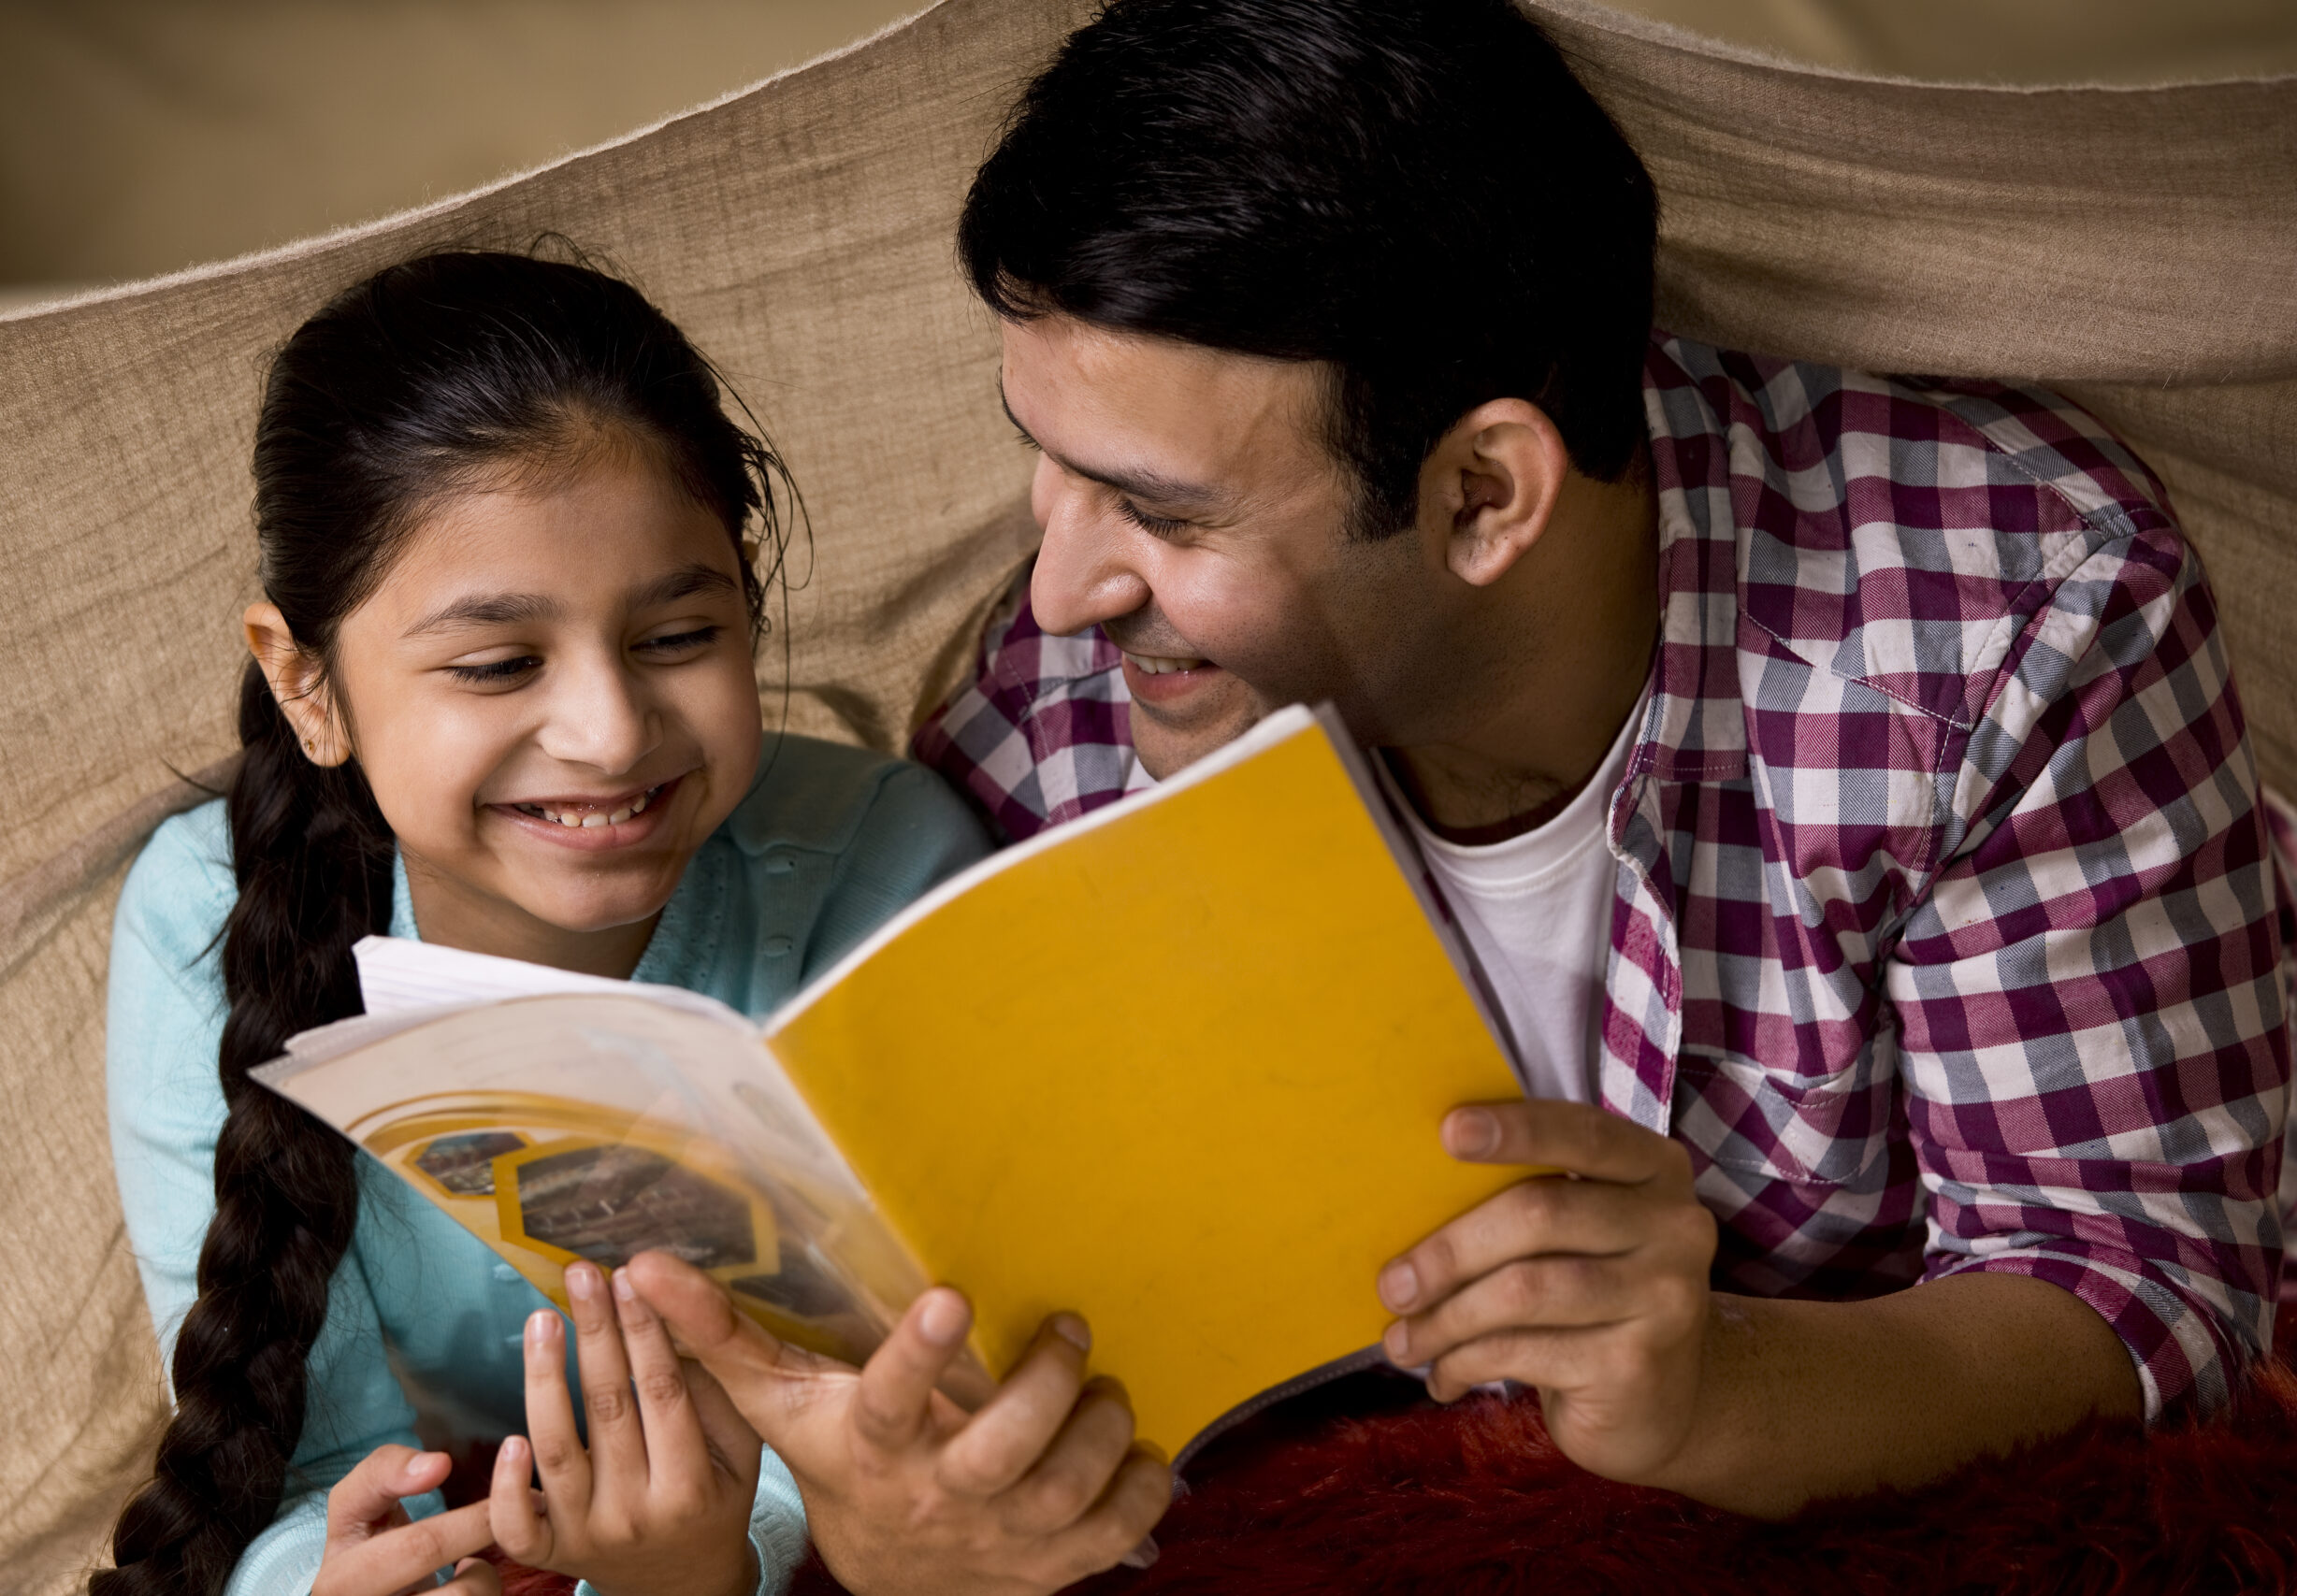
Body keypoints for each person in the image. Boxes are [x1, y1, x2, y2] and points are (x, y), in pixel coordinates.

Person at [624, 0, 2291, 1578]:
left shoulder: (2007, 620)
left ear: (1486, 493)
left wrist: (1718, 1384)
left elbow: (2138, 1280)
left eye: (1164, 514)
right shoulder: (1044, 713)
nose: (1058, 591)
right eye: (1042, 459)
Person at [96, 250, 995, 1596]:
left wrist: (700, 1569)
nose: (610, 731)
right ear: (305, 683)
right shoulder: (201, 925)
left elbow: (891, 1406)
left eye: (676, 635)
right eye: (499, 664)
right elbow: (292, 1466)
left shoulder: (887, 876)